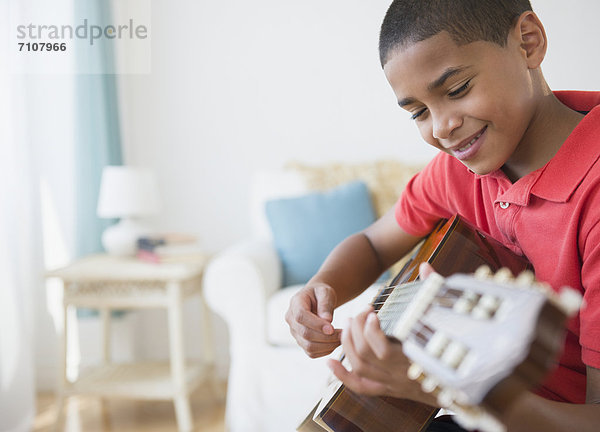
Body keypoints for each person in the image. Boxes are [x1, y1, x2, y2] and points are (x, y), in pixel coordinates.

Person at [285, 0, 600, 430]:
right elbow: (374, 245)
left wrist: (446, 390)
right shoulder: (460, 172)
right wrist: (323, 287)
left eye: (456, 90)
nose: (440, 127)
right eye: (417, 112)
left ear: (528, 43)